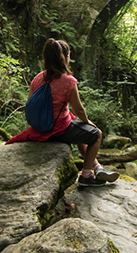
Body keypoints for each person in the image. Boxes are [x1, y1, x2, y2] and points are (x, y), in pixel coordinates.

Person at [6, 38, 119, 186]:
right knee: (96, 134)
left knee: (79, 128)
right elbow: (78, 109)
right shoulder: (68, 81)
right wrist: (88, 122)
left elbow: (29, 104)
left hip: (41, 128)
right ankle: (86, 176)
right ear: (65, 58)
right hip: (59, 130)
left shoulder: (38, 78)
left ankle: (97, 167)